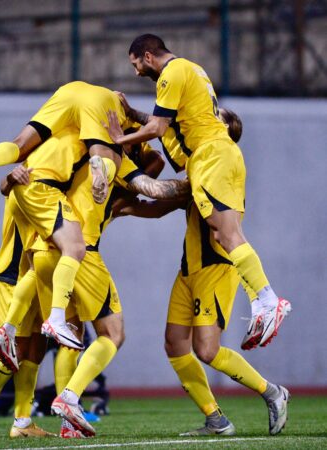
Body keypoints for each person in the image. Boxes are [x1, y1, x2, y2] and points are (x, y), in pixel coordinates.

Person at [104, 34, 291, 350]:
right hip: (218, 156)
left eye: (136, 64)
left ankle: (268, 299)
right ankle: (261, 301)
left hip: (209, 157)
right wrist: (132, 113)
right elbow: (168, 122)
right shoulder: (191, 70)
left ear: (148, 56)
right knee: (225, 233)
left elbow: (158, 128)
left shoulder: (171, 74)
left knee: (226, 233)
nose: (136, 72)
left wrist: (117, 140)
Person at [0, 129, 186, 437]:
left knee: (68, 339)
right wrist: (194, 188)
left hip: (43, 255)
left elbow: (8, 186)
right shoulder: (116, 170)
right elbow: (155, 182)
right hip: (82, 255)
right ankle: (69, 398)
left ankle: (54, 421)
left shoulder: (73, 162)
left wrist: (8, 178)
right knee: (113, 334)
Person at [116, 108, 290, 436]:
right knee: (174, 344)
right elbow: (160, 207)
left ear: (225, 131)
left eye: (216, 115)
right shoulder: (200, 170)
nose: (205, 116)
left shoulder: (220, 168)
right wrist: (125, 209)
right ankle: (215, 418)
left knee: (207, 350)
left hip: (215, 268)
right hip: (189, 268)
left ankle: (272, 392)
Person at [0, 82, 133, 356]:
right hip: (45, 195)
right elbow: (155, 145)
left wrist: (8, 176)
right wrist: (129, 116)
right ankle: (102, 170)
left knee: (18, 145)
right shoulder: (114, 121)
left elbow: (5, 187)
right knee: (75, 246)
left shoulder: (50, 141)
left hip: (64, 97)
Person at [0, 180, 55, 439]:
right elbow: (5, 184)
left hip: (40, 278)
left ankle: (22, 421)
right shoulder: (27, 182)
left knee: (36, 348)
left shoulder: (60, 189)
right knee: (14, 350)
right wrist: (10, 177)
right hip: (12, 277)